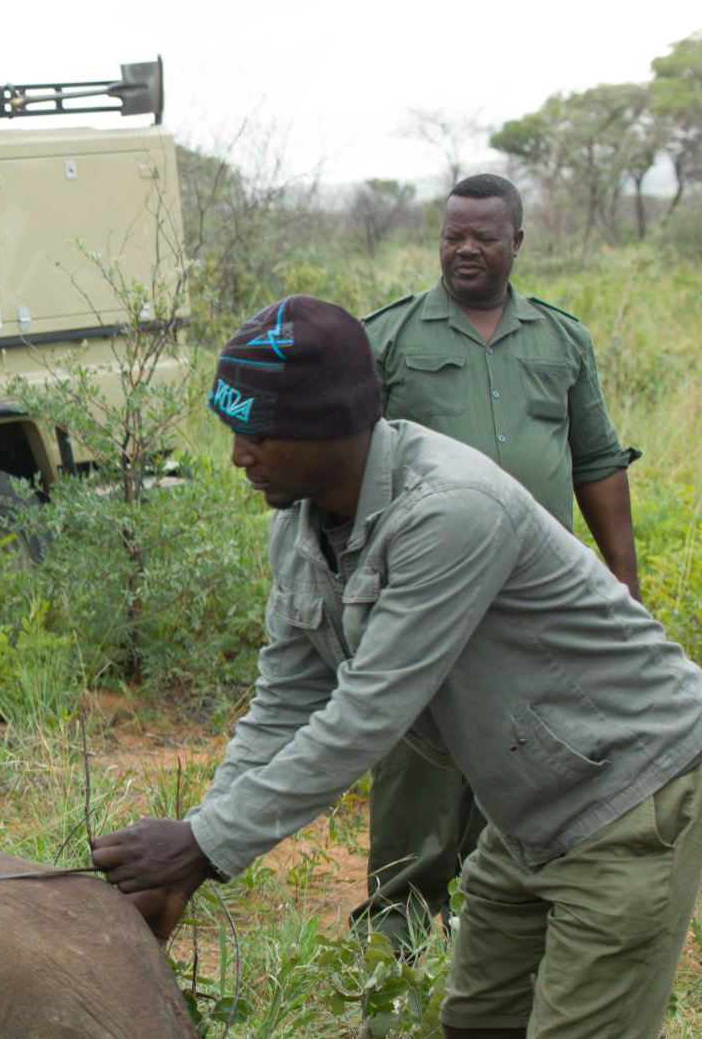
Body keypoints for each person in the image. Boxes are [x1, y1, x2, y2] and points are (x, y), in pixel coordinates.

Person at [92, 296, 702, 1039]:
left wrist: (204, 848)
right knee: (478, 1022)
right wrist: (197, 839)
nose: (237, 456)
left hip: (629, 795)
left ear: (331, 426)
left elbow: (368, 713)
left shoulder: (451, 510)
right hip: (527, 811)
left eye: (257, 434)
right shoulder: (299, 526)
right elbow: (283, 702)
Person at [355, 172, 642, 949]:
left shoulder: (560, 338)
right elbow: (348, 468)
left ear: (518, 240)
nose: (466, 249)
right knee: (422, 768)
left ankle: (500, 929)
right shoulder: (389, 338)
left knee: (528, 756)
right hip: (428, 592)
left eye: (484, 235)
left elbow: (596, 459)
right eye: (453, 235)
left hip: (538, 602)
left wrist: (623, 579)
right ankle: (398, 937)